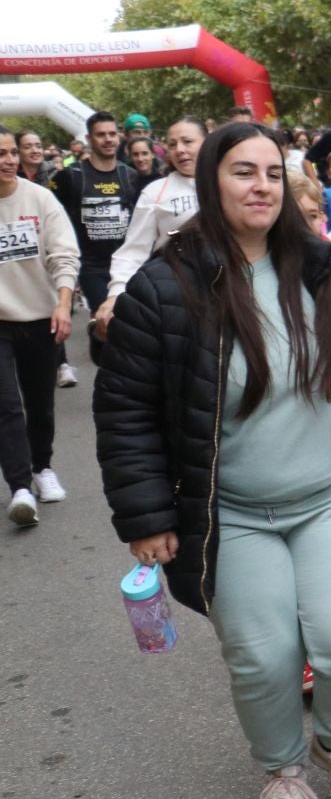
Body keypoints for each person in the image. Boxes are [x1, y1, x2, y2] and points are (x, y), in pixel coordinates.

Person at [94, 120, 331, 799]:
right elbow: (124, 410)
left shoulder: (320, 269)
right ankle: (282, 769)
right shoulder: (164, 288)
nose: (261, 186)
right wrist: (146, 516)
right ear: (210, 182)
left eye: (274, 174)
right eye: (243, 172)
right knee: (263, 656)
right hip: (232, 514)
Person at [0, 126, 79, 524]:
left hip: (39, 316)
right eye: (2, 154)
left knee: (39, 404)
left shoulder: (40, 199)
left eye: (13, 152)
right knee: (6, 406)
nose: (11, 160)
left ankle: (42, 467)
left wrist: (63, 304)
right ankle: (19, 488)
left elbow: (64, 253)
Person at [97, 116, 206, 338]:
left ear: (207, 142)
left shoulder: (230, 184)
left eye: (188, 141)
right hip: (177, 296)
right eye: (173, 144)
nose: (180, 150)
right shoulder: (155, 192)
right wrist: (116, 293)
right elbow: (134, 250)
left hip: (229, 292)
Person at [51, 111, 136, 371]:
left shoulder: (130, 176)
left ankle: (109, 354)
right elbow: (53, 219)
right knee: (111, 319)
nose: (108, 139)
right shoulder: (70, 176)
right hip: (91, 266)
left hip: (127, 263)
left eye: (112, 134)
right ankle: (115, 371)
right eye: (101, 135)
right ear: (89, 138)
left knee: (131, 324)